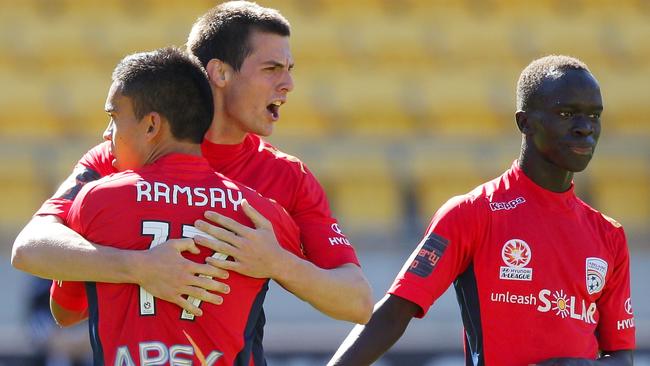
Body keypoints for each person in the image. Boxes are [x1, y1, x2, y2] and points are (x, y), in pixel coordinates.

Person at [12, 0, 371, 325]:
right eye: (272, 68)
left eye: (289, 68)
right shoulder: (120, 156)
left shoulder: (287, 176)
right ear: (220, 73)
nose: (289, 84)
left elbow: (356, 301)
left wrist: (278, 263)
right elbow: (31, 249)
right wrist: (140, 268)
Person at [328, 55, 635, 366]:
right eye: (567, 113)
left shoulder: (608, 234)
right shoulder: (473, 213)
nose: (585, 128)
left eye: (594, 116)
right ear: (525, 122)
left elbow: (622, 356)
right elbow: (393, 314)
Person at [51, 46, 309, 365]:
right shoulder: (256, 211)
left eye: (114, 118)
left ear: (151, 126)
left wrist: (127, 270)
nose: (107, 134)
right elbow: (344, 295)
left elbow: (65, 311)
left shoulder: (96, 199)